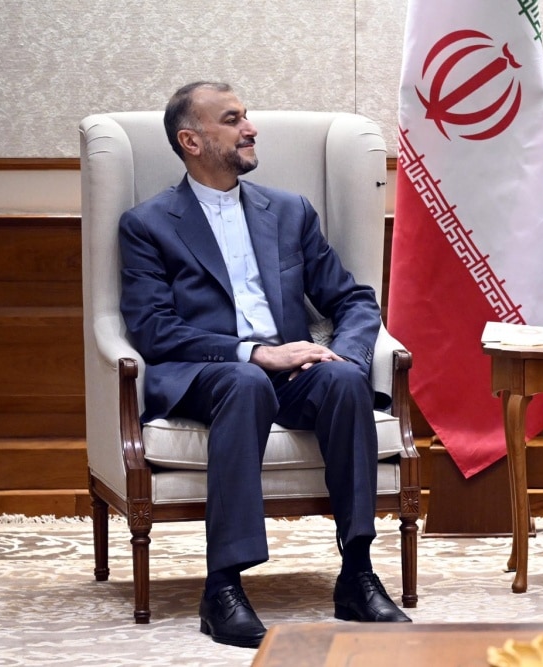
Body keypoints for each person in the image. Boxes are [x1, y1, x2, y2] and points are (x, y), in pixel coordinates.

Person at [118, 81, 411, 649]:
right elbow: (154, 330)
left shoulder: (290, 211)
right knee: (247, 381)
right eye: (233, 120)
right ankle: (222, 589)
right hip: (210, 374)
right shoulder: (148, 225)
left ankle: (356, 575)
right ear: (192, 140)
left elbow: (352, 300)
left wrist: (340, 354)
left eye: (246, 116)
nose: (251, 129)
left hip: (291, 373)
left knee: (347, 380)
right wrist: (253, 352)